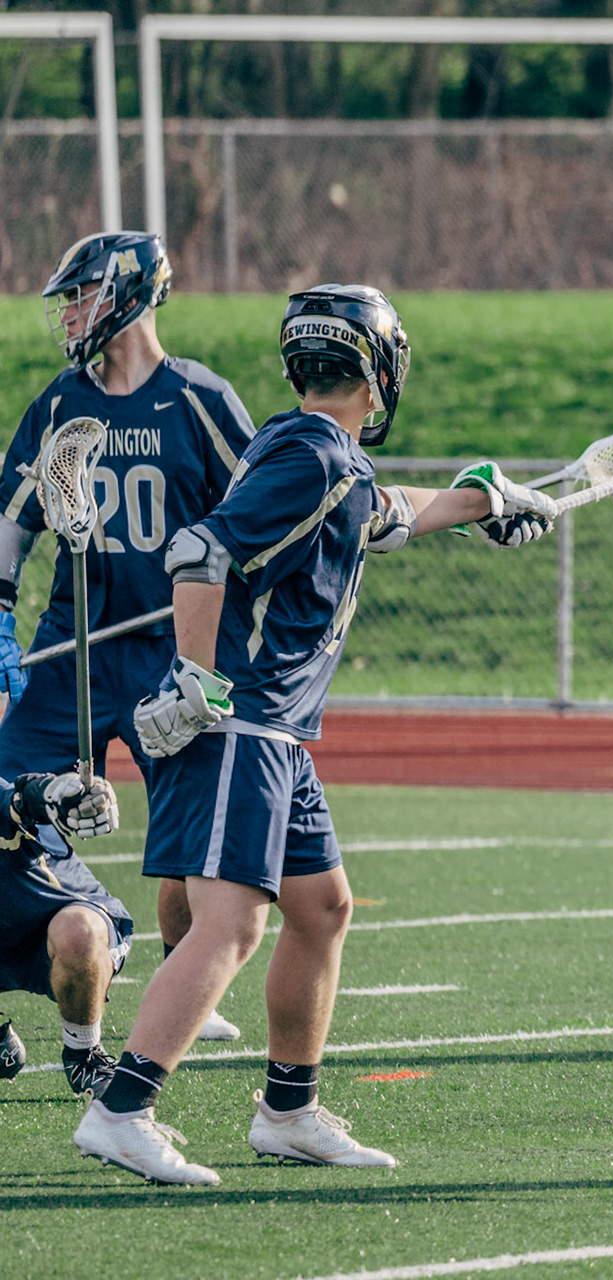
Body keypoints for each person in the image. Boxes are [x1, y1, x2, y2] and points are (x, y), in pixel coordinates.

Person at [73, 284, 559, 1186]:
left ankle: (288, 1113)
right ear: (379, 376)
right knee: (230, 925)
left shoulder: (310, 451)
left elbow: (384, 511)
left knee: (323, 909)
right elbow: (200, 552)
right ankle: (121, 1110)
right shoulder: (315, 458)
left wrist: (482, 500)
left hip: (277, 734)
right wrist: (197, 680)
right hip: (243, 723)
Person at [1, 231, 256, 1044]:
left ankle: (187, 985)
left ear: (129, 294)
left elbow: (257, 511)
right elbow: (11, 521)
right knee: (4, 793)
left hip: (167, 652)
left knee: (187, 833)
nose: (70, 314)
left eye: (81, 295)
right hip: (73, 647)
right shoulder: (60, 404)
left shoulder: (199, 399)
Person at [0, 769, 128, 1098]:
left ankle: (84, 1054)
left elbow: (23, 799)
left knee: (77, 933)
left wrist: (57, 791)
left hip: (49, 921)